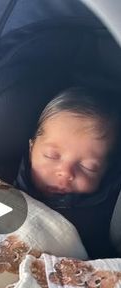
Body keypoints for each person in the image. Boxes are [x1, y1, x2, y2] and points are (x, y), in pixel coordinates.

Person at [14, 87, 121, 259]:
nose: (65, 172)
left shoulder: (104, 222)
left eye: (88, 167)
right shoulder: (1, 178)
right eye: (52, 156)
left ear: (106, 172)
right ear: (31, 147)